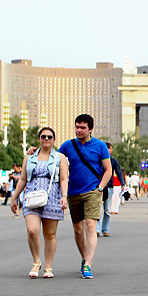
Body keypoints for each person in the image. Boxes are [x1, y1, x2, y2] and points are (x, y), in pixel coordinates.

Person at [57, 114, 111, 279]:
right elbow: (53, 160)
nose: (79, 130)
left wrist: (100, 187)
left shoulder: (100, 146)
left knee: (90, 225)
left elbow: (108, 169)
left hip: (92, 192)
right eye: (77, 127)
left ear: (90, 129)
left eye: (82, 128)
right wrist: (34, 151)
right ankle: (84, 257)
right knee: (78, 229)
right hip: (73, 192)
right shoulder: (68, 145)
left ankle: (88, 263)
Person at [11, 127, 68, 279]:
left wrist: (64, 196)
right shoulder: (29, 157)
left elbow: (64, 178)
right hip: (32, 197)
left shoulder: (59, 157)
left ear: (54, 139)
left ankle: (48, 266)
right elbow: (23, 178)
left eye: (49, 136)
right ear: (39, 139)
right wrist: (14, 197)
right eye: (43, 136)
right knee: (32, 230)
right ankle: (36, 261)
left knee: (50, 234)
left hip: (52, 197)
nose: (46, 139)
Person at [97, 142, 126, 237]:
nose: (111, 150)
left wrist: (123, 184)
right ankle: (97, 229)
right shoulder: (98, 160)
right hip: (98, 187)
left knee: (107, 210)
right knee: (98, 210)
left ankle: (105, 229)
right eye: (110, 148)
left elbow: (119, 172)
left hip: (109, 187)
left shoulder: (113, 161)